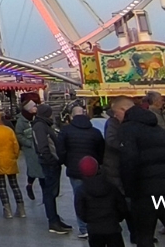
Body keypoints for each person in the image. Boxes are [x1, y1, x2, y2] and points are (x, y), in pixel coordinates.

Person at [119, 103, 165, 247]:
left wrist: (130, 191)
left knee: (145, 235)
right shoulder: (160, 131)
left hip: (144, 192)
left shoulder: (128, 129)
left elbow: (129, 162)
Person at [57, 104, 106, 238]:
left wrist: (67, 162)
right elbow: (101, 150)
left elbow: (60, 150)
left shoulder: (65, 131)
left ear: (72, 116)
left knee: (79, 197)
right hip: (93, 170)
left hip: (74, 169)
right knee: (94, 197)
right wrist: (97, 164)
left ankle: (83, 228)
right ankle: (96, 224)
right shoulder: (94, 132)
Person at [33, 103, 73, 234]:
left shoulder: (44, 125)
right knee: (50, 193)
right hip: (50, 163)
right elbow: (43, 146)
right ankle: (53, 221)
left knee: (52, 192)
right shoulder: (40, 126)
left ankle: (55, 219)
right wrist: (52, 160)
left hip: (51, 162)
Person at [73, 156, 128, 247]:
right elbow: (122, 206)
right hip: (112, 227)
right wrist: (118, 219)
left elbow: (80, 211)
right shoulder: (111, 187)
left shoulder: (81, 190)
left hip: (94, 229)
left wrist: (89, 220)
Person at [0, 109, 25, 218]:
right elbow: (16, 146)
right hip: (10, 160)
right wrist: (14, 157)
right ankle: (21, 209)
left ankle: (7, 211)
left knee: (1, 187)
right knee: (15, 185)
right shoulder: (8, 130)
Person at [14, 100, 43, 202]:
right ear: (29, 108)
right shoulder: (21, 121)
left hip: (40, 146)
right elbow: (19, 134)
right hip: (30, 149)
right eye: (34, 106)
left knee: (41, 168)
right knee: (33, 168)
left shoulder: (37, 118)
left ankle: (44, 191)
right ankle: (29, 185)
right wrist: (28, 143)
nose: (36, 107)